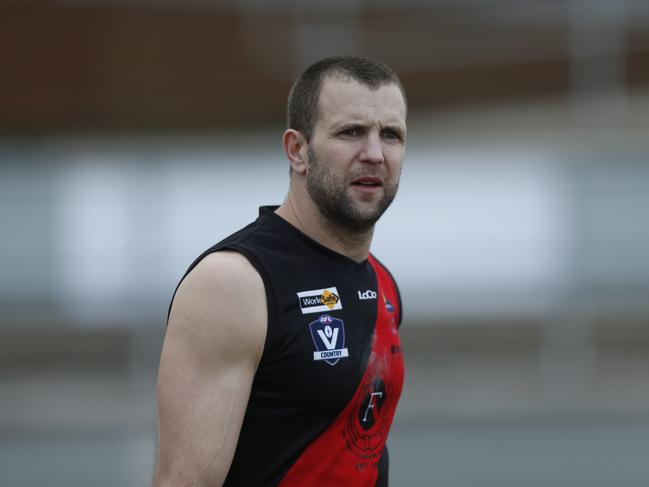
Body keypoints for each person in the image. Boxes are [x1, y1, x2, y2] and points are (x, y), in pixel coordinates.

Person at [154, 55, 407, 487]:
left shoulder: (382, 282)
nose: (374, 154)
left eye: (391, 135)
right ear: (297, 150)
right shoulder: (234, 283)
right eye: (351, 132)